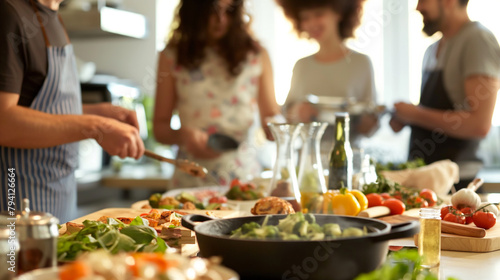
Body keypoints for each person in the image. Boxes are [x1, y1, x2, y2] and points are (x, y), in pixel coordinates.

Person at [0, 0, 145, 223]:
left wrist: (97, 113)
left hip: (60, 198)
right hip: (19, 204)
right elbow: (4, 122)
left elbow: (41, 108)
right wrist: (97, 127)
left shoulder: (53, 15)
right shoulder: (10, 12)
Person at [154, 0, 281, 188]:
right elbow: (160, 129)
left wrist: (282, 125)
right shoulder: (171, 56)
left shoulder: (256, 55)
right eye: (212, 11)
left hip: (243, 180)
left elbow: (272, 122)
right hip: (190, 180)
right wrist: (184, 136)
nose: (220, 20)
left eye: (228, 11)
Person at [390, 0, 500, 189]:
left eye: (423, 0)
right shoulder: (432, 50)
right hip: (427, 183)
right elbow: (437, 113)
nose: (418, 8)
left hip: (457, 185)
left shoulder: (477, 40)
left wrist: (415, 114)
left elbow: (479, 125)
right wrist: (407, 118)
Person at [277, 0, 379, 146]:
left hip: (348, 157)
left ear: (338, 13)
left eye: (319, 14)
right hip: (307, 159)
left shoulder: (361, 63)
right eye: (305, 18)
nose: (312, 23)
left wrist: (364, 121)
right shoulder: (302, 66)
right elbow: (287, 115)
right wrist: (298, 112)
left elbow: (371, 124)